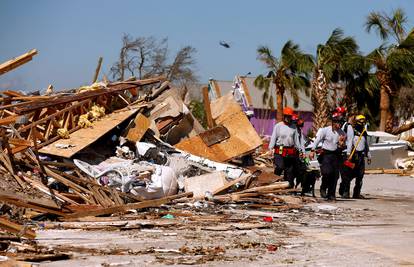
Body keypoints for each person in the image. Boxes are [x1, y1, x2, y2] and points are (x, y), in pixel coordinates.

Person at [309, 112, 346, 200]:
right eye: (337, 122)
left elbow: (342, 146)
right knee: (327, 173)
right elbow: (317, 140)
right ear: (333, 122)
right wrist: (312, 151)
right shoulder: (325, 130)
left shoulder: (342, 133)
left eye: (340, 122)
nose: (339, 124)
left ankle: (331, 194)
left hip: (336, 155)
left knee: (335, 175)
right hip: (326, 154)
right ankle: (323, 187)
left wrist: (341, 144)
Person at [340, 115, 371, 198]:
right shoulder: (352, 130)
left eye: (363, 121)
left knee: (360, 175)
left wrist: (368, 155)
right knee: (348, 174)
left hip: (361, 156)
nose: (362, 123)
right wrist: (348, 154)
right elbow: (350, 142)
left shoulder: (364, 132)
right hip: (353, 156)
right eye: (361, 121)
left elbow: (366, 144)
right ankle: (345, 191)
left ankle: (356, 193)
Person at [269, 107, 301, 188]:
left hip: (290, 151)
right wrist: (270, 148)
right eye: (287, 116)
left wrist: (301, 151)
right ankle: (273, 182)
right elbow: (273, 137)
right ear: (284, 116)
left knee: (289, 170)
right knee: (280, 166)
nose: (288, 118)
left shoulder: (294, 127)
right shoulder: (278, 126)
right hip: (279, 150)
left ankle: (288, 186)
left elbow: (296, 139)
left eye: (290, 116)